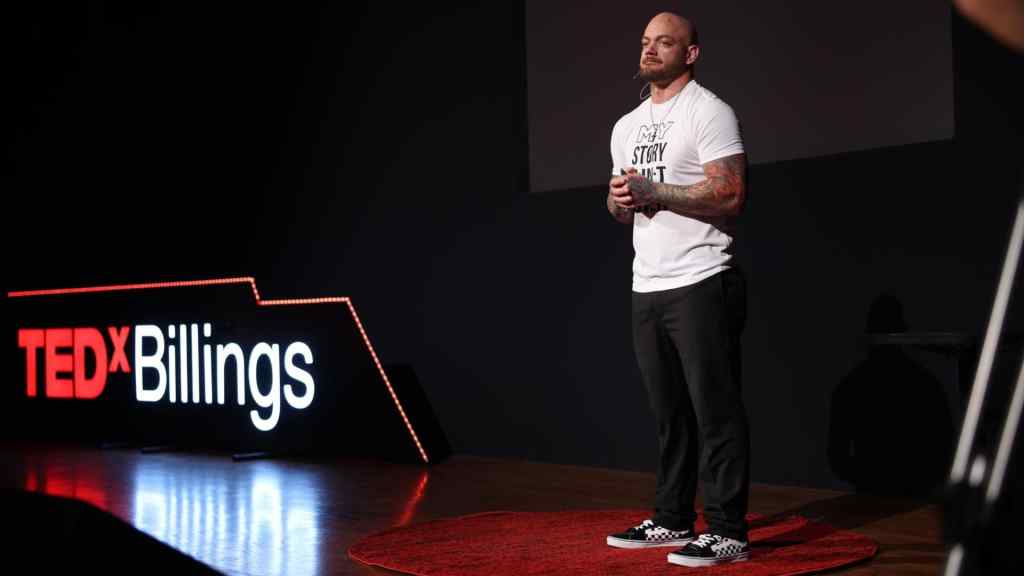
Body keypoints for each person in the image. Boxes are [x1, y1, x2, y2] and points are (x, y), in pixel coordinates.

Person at [603, 12, 751, 567]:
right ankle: (671, 519)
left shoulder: (710, 112)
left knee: (716, 410)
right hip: (648, 282)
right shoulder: (626, 125)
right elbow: (618, 206)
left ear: (689, 53)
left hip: (702, 278)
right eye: (645, 42)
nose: (650, 50)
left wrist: (655, 190)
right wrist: (621, 198)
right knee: (669, 413)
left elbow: (731, 195)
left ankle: (729, 530)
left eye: (664, 42)